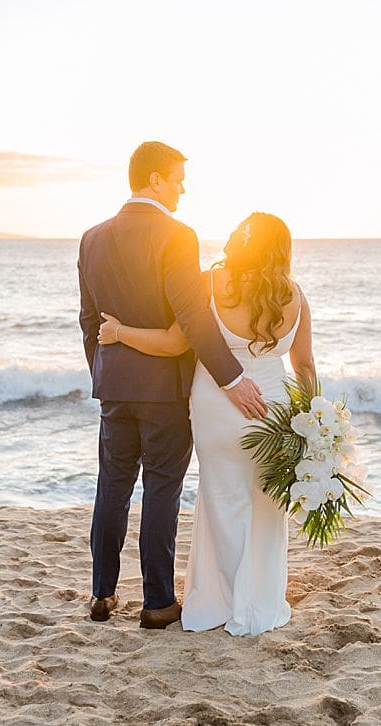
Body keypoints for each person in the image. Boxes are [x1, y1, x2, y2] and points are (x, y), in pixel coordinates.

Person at [76, 141, 268, 630]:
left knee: (112, 487)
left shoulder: (91, 238)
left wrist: (104, 371)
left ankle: (102, 593)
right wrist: (234, 378)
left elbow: (87, 321)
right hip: (163, 390)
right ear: (156, 178)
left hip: (114, 387)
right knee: (161, 490)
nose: (184, 188)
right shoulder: (177, 235)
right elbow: (193, 317)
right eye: (179, 178)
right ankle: (158, 602)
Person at [97, 211, 314, 636]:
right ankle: (259, 600)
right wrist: (310, 422)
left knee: (222, 498)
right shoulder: (296, 296)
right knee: (266, 505)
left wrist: (121, 333)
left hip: (216, 404)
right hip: (275, 405)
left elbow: (176, 342)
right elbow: (305, 366)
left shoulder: (209, 284)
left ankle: (219, 599)